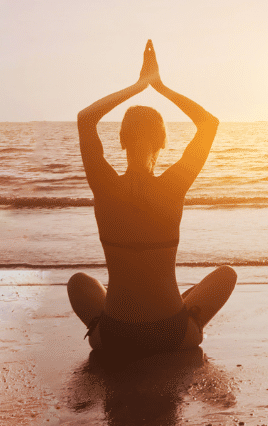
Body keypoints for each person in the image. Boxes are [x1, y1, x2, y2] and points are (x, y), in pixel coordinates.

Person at [67, 39, 236, 357]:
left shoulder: (104, 186)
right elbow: (208, 123)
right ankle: (190, 314)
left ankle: (103, 324)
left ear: (120, 141)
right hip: (171, 335)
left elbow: (86, 119)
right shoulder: (174, 185)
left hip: (116, 338)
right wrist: (159, 86)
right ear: (162, 141)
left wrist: (138, 85)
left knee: (79, 282)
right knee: (226, 274)